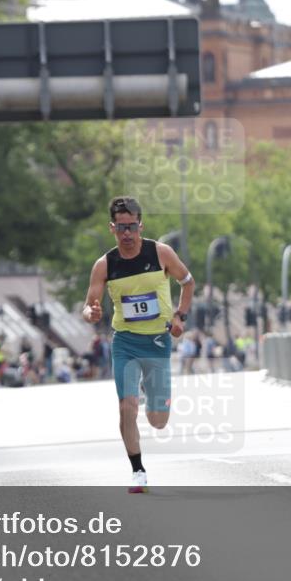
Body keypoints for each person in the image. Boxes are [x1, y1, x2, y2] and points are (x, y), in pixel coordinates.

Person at [81, 196, 195, 493]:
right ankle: (138, 471)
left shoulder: (161, 253)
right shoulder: (104, 265)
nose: (127, 234)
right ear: (112, 228)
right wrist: (91, 312)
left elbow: (188, 282)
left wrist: (180, 316)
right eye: (121, 228)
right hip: (125, 342)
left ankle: (151, 393)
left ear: (140, 225)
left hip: (157, 341)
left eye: (131, 226)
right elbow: (89, 305)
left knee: (158, 421)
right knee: (126, 407)